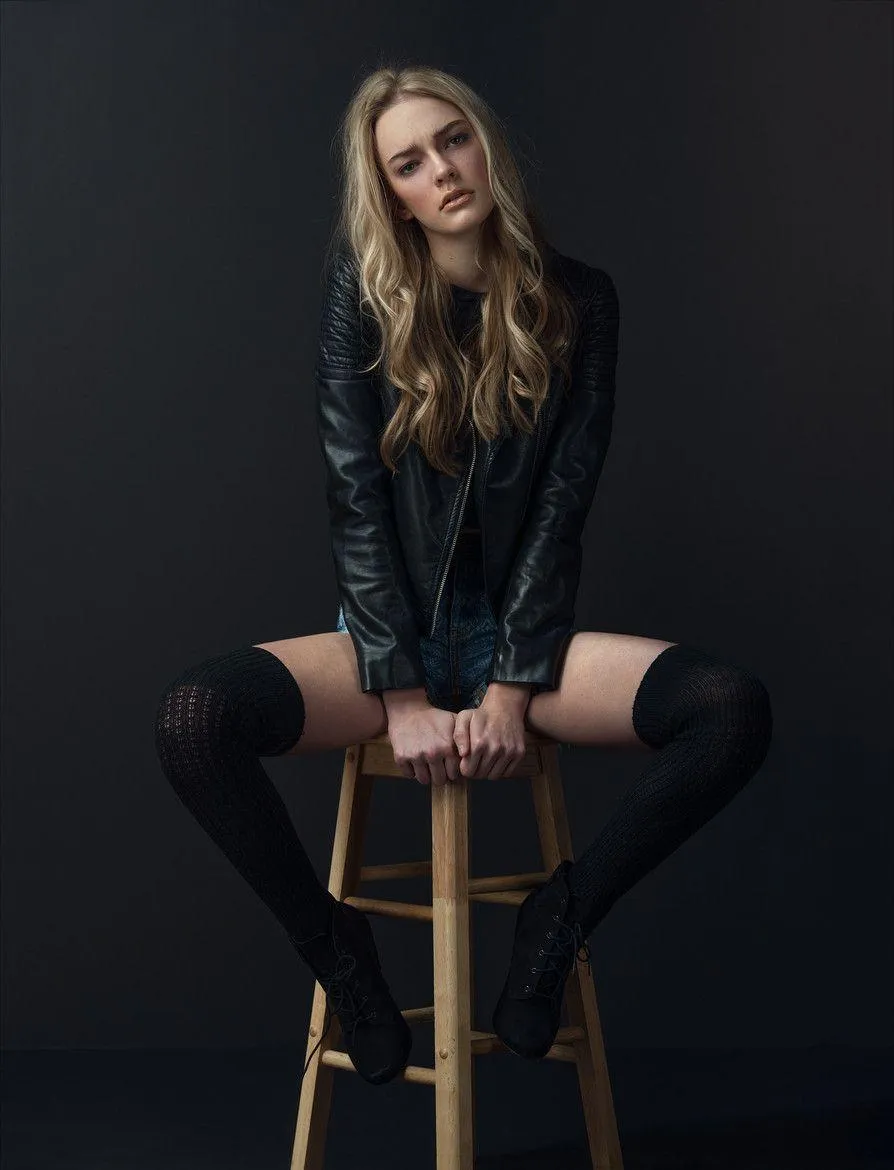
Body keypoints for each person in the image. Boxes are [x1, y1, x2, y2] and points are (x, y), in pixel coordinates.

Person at [154, 65, 773, 1089]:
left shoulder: (581, 303)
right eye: (410, 161)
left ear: (485, 144)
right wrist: (399, 689)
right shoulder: (365, 295)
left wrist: (508, 688)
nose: (442, 171)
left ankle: (561, 917)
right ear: (387, 190)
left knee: (730, 709)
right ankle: (339, 955)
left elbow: (563, 504)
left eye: (453, 141)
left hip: (519, 642)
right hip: (380, 645)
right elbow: (355, 496)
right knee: (192, 722)